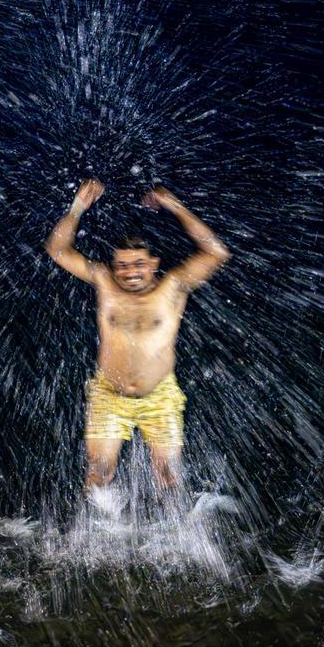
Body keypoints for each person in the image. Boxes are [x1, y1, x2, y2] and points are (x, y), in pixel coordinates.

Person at [45, 179, 230, 491]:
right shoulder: (104, 281)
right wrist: (77, 208)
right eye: (123, 265)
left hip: (159, 397)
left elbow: (216, 252)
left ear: (154, 263)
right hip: (109, 395)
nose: (130, 271)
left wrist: (175, 205)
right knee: (99, 473)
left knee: (169, 476)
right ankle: (99, 536)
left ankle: (173, 537)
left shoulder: (174, 286)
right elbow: (57, 249)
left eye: (139, 264)